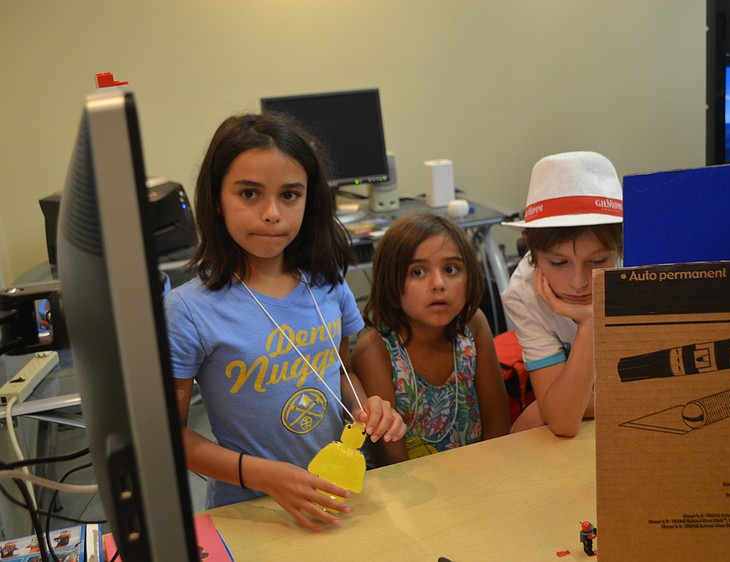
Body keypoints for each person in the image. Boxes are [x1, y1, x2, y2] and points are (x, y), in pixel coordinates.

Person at [164, 112, 407, 532]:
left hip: (345, 496)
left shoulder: (328, 284)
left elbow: (341, 369)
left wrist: (366, 409)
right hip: (252, 509)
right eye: (249, 194)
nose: (272, 213)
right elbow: (169, 437)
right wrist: (261, 475)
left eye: (290, 195)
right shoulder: (188, 310)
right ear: (216, 198)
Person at [351, 213, 511, 466]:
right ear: (391, 283)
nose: (438, 284)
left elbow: (498, 425)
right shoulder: (374, 350)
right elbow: (392, 461)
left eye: (451, 269)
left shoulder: (473, 326)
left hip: (482, 475)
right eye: (418, 272)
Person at [501, 152, 623, 437]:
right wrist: (590, 323)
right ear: (532, 251)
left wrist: (557, 405)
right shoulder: (523, 293)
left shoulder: (644, 268)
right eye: (558, 263)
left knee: (536, 415)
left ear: (620, 249)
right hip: (607, 401)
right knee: (530, 422)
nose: (579, 282)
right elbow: (563, 420)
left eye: (597, 261)